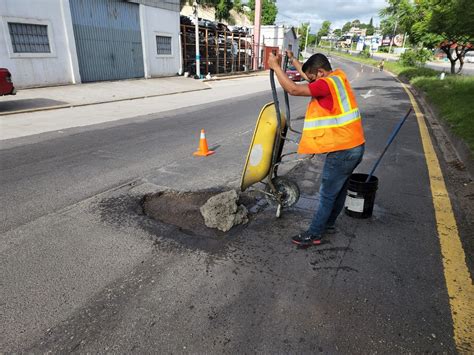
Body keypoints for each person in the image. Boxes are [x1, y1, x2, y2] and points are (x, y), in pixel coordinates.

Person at [267, 51, 365, 247]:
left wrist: (276, 67)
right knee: (338, 191)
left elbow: (294, 89)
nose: (310, 81)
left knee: (328, 194)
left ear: (320, 72)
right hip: (355, 146)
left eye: (312, 77)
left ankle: (314, 234)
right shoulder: (337, 77)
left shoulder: (325, 84)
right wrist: (293, 60)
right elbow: (307, 78)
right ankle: (327, 224)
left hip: (343, 151)